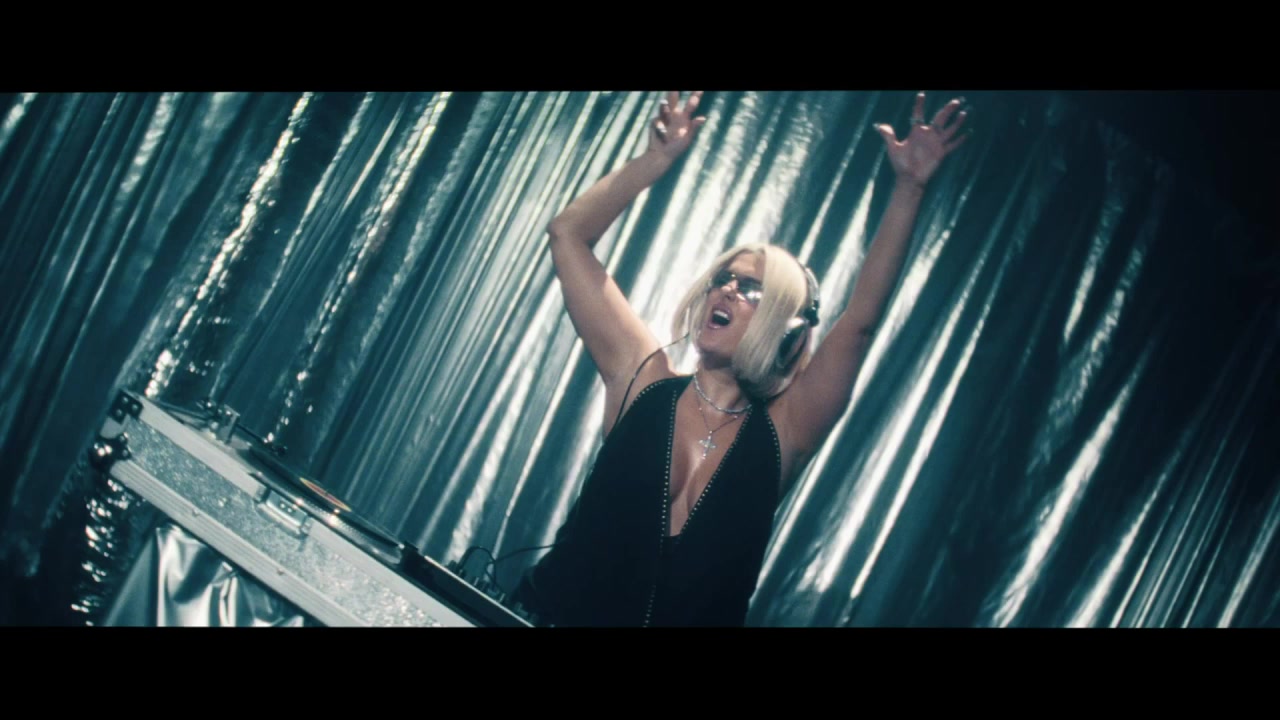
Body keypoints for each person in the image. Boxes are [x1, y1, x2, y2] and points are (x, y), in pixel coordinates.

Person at [510, 90, 969, 627]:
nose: (726, 290)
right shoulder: (642, 377)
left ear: (785, 327)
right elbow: (568, 235)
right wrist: (656, 159)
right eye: (724, 279)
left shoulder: (788, 430)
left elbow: (860, 324)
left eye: (750, 289)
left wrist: (910, 189)